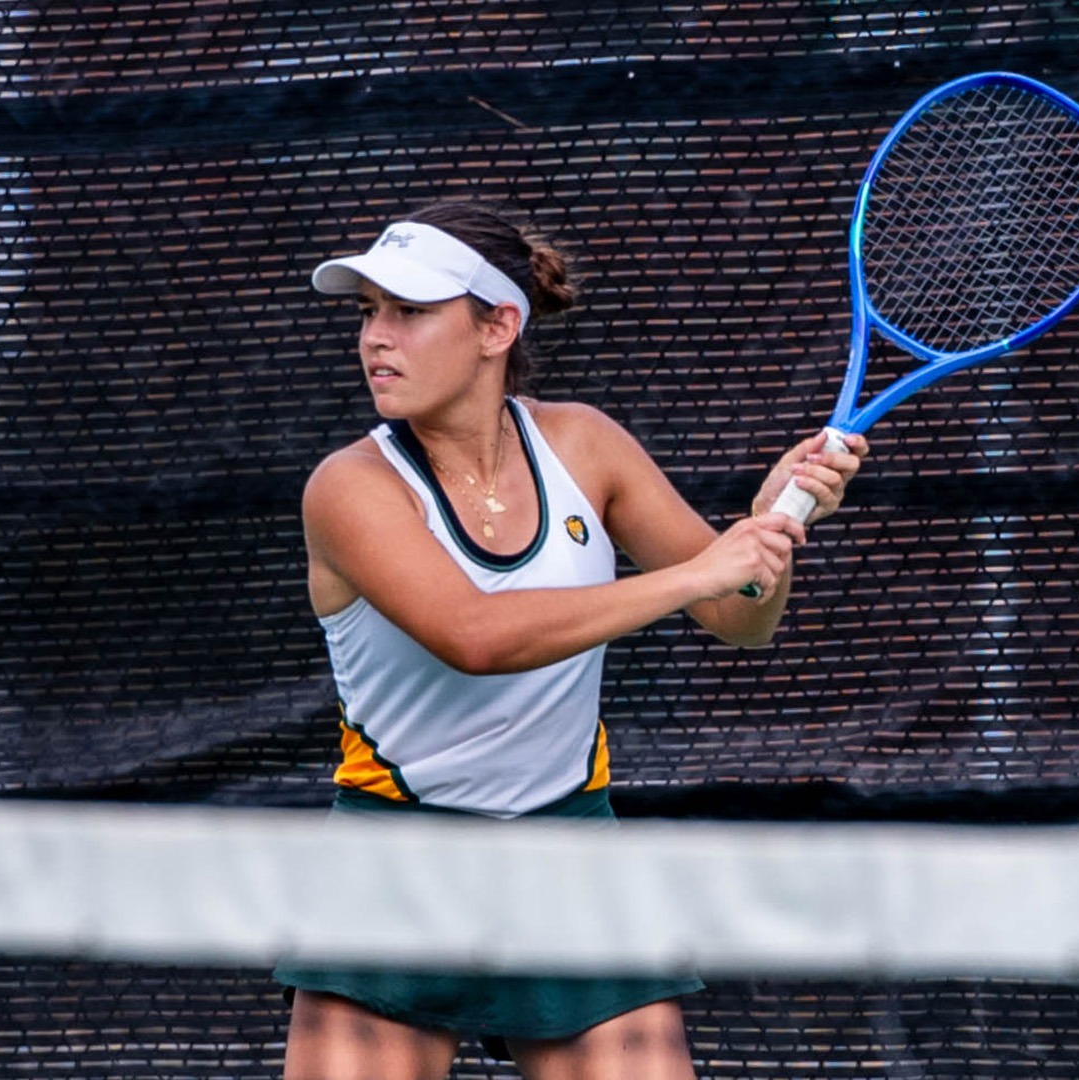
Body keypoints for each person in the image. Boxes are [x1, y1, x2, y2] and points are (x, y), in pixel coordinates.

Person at [275, 199, 868, 1080]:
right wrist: (699, 572)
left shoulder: (586, 445)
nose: (376, 338)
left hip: (571, 852)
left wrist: (765, 530)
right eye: (368, 312)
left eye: (409, 311)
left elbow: (740, 619)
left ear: (497, 326)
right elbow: (473, 635)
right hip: (393, 865)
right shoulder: (349, 486)